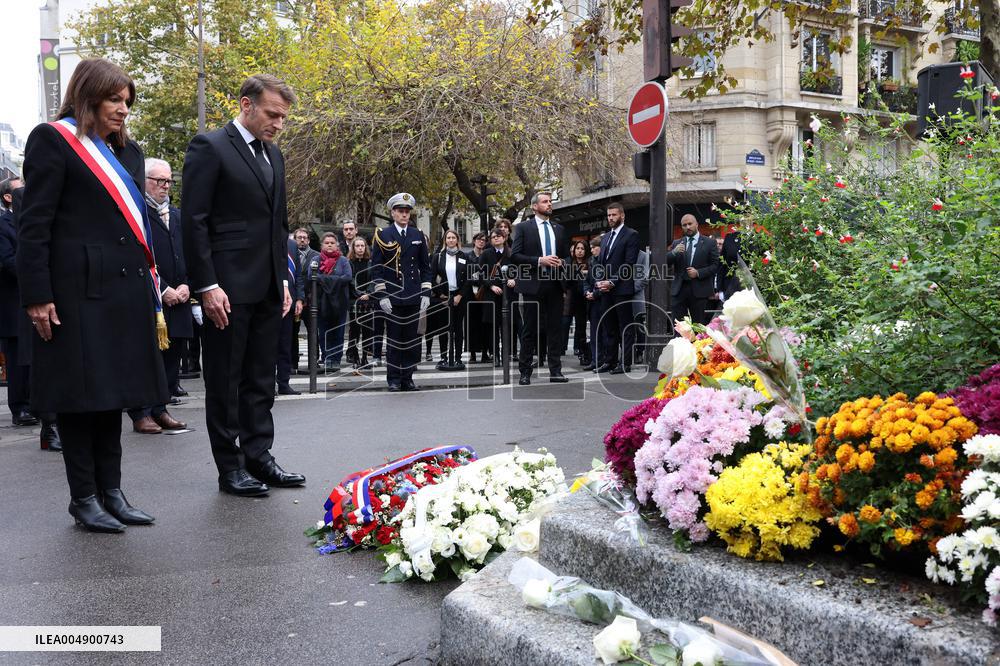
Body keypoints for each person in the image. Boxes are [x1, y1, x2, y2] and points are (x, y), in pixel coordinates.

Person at [18, 57, 167, 531]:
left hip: (124, 293)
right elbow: (34, 226)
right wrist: (37, 294)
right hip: (76, 293)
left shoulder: (128, 152)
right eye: (114, 100)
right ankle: (83, 498)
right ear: (87, 97)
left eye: (127, 102)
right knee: (80, 398)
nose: (123, 110)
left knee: (113, 394)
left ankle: (113, 493)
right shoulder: (53, 141)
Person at [181, 73, 304, 497]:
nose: (278, 124)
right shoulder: (210, 147)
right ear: (246, 105)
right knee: (225, 378)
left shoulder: (275, 156)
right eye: (273, 114)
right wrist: (206, 285)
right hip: (226, 289)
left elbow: (279, 224)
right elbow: (193, 221)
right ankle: (229, 466)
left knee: (259, 378)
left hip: (269, 286)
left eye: (284, 118)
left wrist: (284, 278)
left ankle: (259, 457)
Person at [128, 158, 190, 433]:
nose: (165, 186)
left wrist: (187, 284)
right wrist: (163, 288)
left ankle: (160, 407)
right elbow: (136, 258)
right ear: (145, 182)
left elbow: (188, 254)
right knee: (144, 357)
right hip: (150, 296)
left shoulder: (177, 216)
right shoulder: (136, 214)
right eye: (159, 181)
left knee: (171, 355)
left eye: (168, 181)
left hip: (179, 297)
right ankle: (141, 412)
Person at [7, 185, 61, 451]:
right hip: (42, 287)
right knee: (44, 361)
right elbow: (31, 237)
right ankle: (49, 427)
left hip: (69, 284)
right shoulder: (23, 195)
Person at [370, 192, 432, 392]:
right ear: (393, 212)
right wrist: (382, 295)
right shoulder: (383, 234)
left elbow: (425, 267)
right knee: (395, 340)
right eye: (400, 211)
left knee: (413, 340)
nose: (404, 215)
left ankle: (408, 377)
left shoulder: (417, 235)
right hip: (393, 295)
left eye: (407, 211)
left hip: (413, 294)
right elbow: (376, 268)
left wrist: (426, 293)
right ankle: (394, 379)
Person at [510, 192, 569, 385]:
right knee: (530, 329)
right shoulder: (523, 228)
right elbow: (516, 256)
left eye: (550, 201)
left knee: (555, 329)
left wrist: (561, 262)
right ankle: (525, 372)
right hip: (533, 285)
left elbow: (567, 257)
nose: (549, 204)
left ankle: (555, 371)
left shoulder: (559, 229)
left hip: (554, 283)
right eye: (545, 202)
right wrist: (539, 260)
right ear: (535, 206)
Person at [0, 176, 38, 428]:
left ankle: (35, 403)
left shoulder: (32, 220)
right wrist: (35, 270)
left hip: (32, 297)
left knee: (33, 358)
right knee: (16, 359)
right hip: (13, 302)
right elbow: (8, 260)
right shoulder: (2, 224)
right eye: (21, 186)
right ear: (8, 197)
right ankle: (20, 408)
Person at [591, 202, 639, 374]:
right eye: (609, 215)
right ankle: (609, 361)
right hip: (605, 291)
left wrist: (612, 281)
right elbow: (600, 263)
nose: (611, 218)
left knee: (625, 327)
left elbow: (629, 264)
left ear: (622, 215)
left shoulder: (631, 235)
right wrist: (599, 282)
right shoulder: (604, 238)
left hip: (622, 289)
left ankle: (625, 363)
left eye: (614, 215)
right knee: (609, 326)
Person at [668, 214, 720, 329]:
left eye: (690, 224)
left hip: (699, 290)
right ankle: (679, 346)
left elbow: (715, 265)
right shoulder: (677, 243)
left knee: (698, 326)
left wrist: (698, 272)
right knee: (679, 326)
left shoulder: (709, 243)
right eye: (684, 225)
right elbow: (665, 262)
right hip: (679, 290)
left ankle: (697, 347)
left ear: (696, 224)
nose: (687, 227)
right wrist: (673, 253)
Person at [430, 229, 472, 367]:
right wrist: (440, 295)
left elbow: (468, 278)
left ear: (457, 240)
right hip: (443, 297)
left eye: (453, 237)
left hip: (459, 296)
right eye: (448, 238)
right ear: (445, 240)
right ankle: (443, 357)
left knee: (458, 328)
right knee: (443, 328)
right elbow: (431, 277)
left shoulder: (464, 256)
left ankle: (458, 357)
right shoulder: (438, 256)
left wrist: (459, 295)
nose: (451, 240)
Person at [312, 232, 352, 371]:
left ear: (337, 245)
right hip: (321, 302)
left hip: (340, 302)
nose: (329, 245)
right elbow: (313, 277)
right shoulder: (316, 259)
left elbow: (347, 277)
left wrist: (324, 279)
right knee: (323, 332)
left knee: (338, 332)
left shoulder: (343, 261)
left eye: (332, 243)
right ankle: (327, 357)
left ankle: (336, 359)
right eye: (327, 242)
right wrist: (335, 279)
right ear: (322, 245)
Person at [275, 235, 305, 395]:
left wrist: (300, 299)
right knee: (267, 346)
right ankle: (267, 384)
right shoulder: (266, 238)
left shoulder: (292, 245)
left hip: (290, 301)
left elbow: (298, 275)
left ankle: (283, 383)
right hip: (271, 300)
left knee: (285, 345)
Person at [290, 227, 319, 371]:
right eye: (299, 237)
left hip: (311, 300)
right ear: (294, 239)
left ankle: (313, 363)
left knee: (313, 331)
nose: (302, 240)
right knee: (291, 332)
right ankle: (292, 363)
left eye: (304, 237)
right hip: (293, 299)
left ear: (308, 240)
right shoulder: (289, 254)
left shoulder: (316, 255)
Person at [346, 237, 375, 368]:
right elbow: (350, 280)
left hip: (368, 300)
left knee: (368, 330)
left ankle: (365, 357)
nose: (360, 248)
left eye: (362, 246)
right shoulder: (349, 263)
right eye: (357, 246)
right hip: (355, 300)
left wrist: (368, 293)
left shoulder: (370, 262)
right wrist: (359, 294)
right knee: (355, 330)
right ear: (353, 248)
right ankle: (355, 356)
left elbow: (374, 280)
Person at [564, 239, 591, 367]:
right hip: (572, 299)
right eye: (577, 249)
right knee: (573, 326)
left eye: (582, 249)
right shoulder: (569, 262)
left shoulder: (590, 263)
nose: (579, 251)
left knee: (582, 327)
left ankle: (585, 352)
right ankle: (580, 351)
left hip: (587, 298)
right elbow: (565, 281)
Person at [466, 231, 489, 363]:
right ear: (474, 241)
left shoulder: (486, 255)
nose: (481, 242)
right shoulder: (467, 256)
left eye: (484, 240)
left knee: (484, 323)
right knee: (471, 324)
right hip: (470, 294)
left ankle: (485, 352)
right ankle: (473, 354)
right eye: (479, 239)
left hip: (484, 292)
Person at [582, 236, 602, 371]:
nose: (592, 250)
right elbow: (587, 280)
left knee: (604, 332)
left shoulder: (605, 261)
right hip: (593, 302)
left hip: (603, 300)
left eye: (594, 247)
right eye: (591, 248)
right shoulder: (591, 261)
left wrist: (594, 294)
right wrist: (587, 292)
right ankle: (595, 360)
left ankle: (603, 360)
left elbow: (604, 280)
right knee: (594, 333)